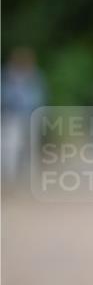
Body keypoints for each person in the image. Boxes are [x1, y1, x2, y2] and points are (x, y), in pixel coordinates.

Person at [1, 47, 45, 183]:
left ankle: (28, 174)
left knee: (30, 145)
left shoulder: (36, 76)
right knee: (10, 145)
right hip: (12, 115)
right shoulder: (7, 75)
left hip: (30, 115)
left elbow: (40, 96)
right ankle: (9, 175)